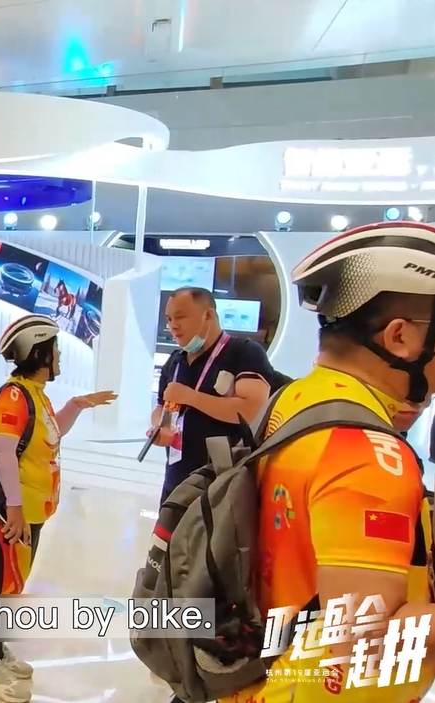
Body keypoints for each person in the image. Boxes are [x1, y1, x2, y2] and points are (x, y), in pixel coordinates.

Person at [224, 221, 435, 703]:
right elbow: (361, 645)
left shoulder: (296, 399)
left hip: (263, 676)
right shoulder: (368, 453)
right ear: (401, 337)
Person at [0, 315, 115, 702]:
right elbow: (3, 452)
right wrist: (14, 508)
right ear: (39, 352)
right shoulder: (14, 397)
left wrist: (76, 405)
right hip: (14, 513)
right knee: (4, 583)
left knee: (13, 582)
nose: (59, 355)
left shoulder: (35, 394)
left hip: (31, 511)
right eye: (55, 349)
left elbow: (49, 434)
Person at [148, 287, 272, 503]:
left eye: (180, 317)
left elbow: (252, 410)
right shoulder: (176, 360)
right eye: (169, 319)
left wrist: (191, 397)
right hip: (177, 482)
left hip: (224, 487)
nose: (173, 325)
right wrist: (162, 427)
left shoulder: (243, 352)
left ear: (208, 315)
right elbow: (161, 407)